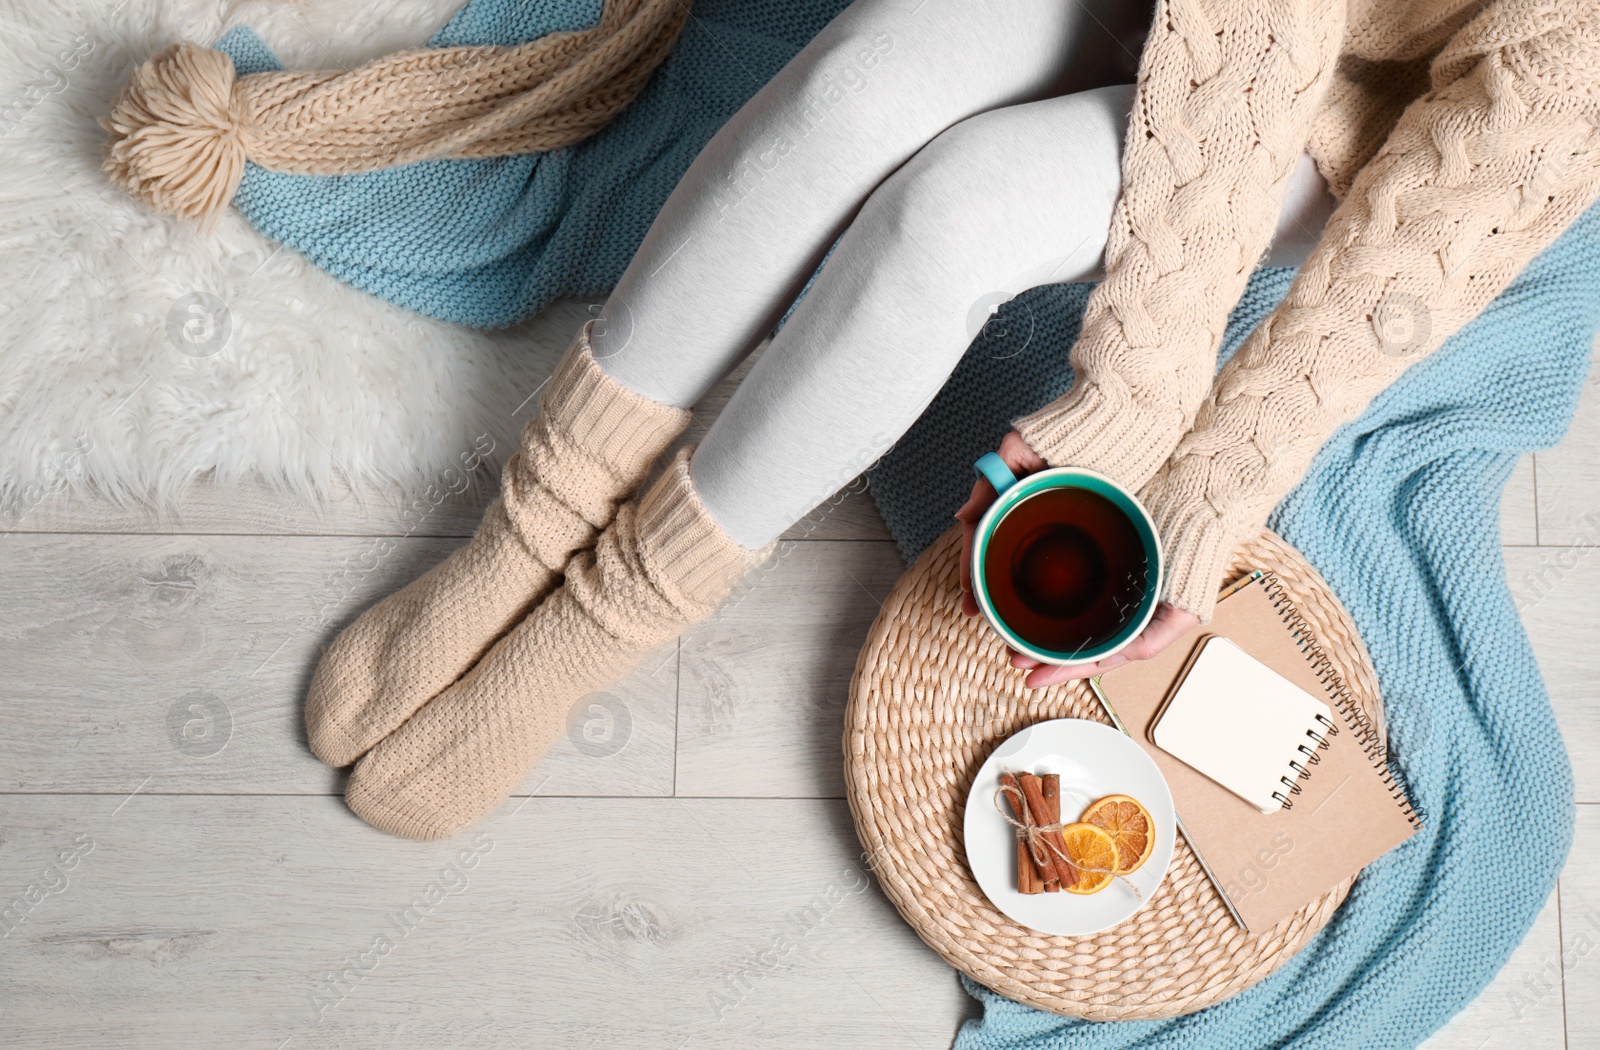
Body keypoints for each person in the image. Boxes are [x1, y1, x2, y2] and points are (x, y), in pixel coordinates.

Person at [303, 0, 1600, 839]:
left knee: (949, 219)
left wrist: (1208, 469)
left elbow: (1451, 220)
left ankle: (608, 612)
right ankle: (524, 535)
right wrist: (1140, 378)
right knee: (848, 95)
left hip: (1328, 110)